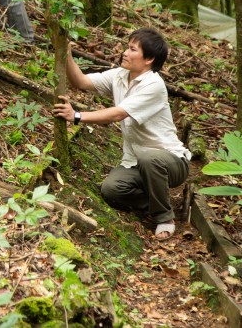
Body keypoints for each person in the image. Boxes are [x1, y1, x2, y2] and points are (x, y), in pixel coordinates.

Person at [52, 28, 191, 240]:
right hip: (136, 161)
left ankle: (164, 217)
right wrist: (66, 54)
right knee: (111, 190)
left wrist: (77, 116)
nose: (124, 52)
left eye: (132, 49)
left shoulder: (153, 85)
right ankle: (153, 204)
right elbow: (81, 83)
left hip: (171, 161)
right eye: (127, 47)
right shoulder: (120, 76)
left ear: (149, 59)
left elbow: (118, 114)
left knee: (149, 157)